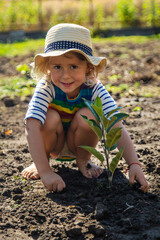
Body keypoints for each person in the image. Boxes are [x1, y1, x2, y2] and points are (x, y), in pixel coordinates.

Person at [22, 23, 149, 193]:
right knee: (49, 116)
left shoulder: (94, 88)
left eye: (73, 67)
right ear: (47, 67)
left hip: (80, 144)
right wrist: (45, 172)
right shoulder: (46, 87)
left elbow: (115, 123)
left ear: (88, 68)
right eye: (57, 67)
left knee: (89, 113)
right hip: (53, 143)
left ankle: (83, 161)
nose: (65, 75)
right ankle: (41, 162)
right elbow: (31, 125)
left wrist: (134, 164)